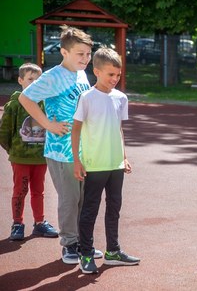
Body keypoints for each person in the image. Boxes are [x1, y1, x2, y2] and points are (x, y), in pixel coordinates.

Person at [18, 25, 103, 264]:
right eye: (80, 54)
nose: (85, 59)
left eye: (88, 54)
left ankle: (84, 242)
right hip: (61, 151)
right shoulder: (53, 76)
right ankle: (69, 245)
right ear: (64, 52)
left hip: (84, 150)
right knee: (70, 199)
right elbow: (26, 98)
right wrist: (47, 124)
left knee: (85, 200)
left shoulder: (81, 74)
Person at [72, 47, 140, 274]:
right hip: (95, 164)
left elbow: (118, 129)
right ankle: (86, 252)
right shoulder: (87, 98)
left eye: (118, 75)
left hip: (115, 165)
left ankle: (113, 251)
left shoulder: (121, 98)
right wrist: (77, 161)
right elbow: (76, 130)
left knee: (114, 208)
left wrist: (124, 157)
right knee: (90, 209)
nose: (115, 79)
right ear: (97, 71)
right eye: (110, 74)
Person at [0, 63, 58, 241]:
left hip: (40, 158)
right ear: (20, 80)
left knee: (38, 191)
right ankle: (17, 223)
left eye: (38, 80)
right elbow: (4, 132)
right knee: (20, 191)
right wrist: (15, 151)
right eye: (30, 79)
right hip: (21, 158)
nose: (34, 83)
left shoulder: (46, 104)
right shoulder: (14, 105)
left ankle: (39, 223)